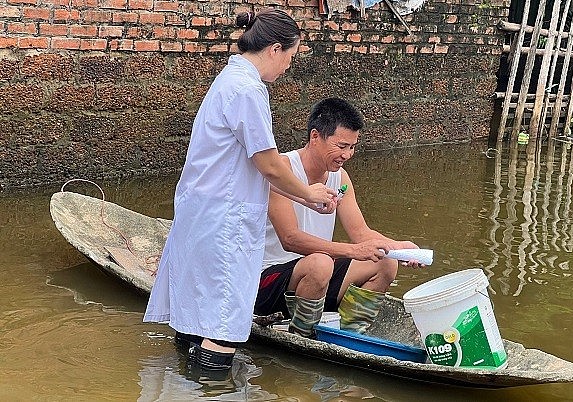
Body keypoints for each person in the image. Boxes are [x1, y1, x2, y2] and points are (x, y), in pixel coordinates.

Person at [143, 10, 337, 373]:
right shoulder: (248, 89)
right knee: (224, 322)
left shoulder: (229, 79)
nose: (286, 69)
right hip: (223, 222)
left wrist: (302, 193)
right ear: (275, 49)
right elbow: (269, 164)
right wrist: (310, 195)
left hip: (204, 212)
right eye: (290, 58)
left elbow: (257, 166)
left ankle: (185, 389)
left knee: (197, 316)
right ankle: (213, 390)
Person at [254, 97, 423, 338]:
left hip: (317, 280)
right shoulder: (282, 170)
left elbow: (361, 234)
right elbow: (290, 239)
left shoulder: (340, 178)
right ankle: (302, 336)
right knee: (321, 263)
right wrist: (352, 251)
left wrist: (399, 248)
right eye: (341, 146)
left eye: (352, 147)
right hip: (268, 281)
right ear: (315, 137)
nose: (347, 154)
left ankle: (351, 335)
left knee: (385, 262)